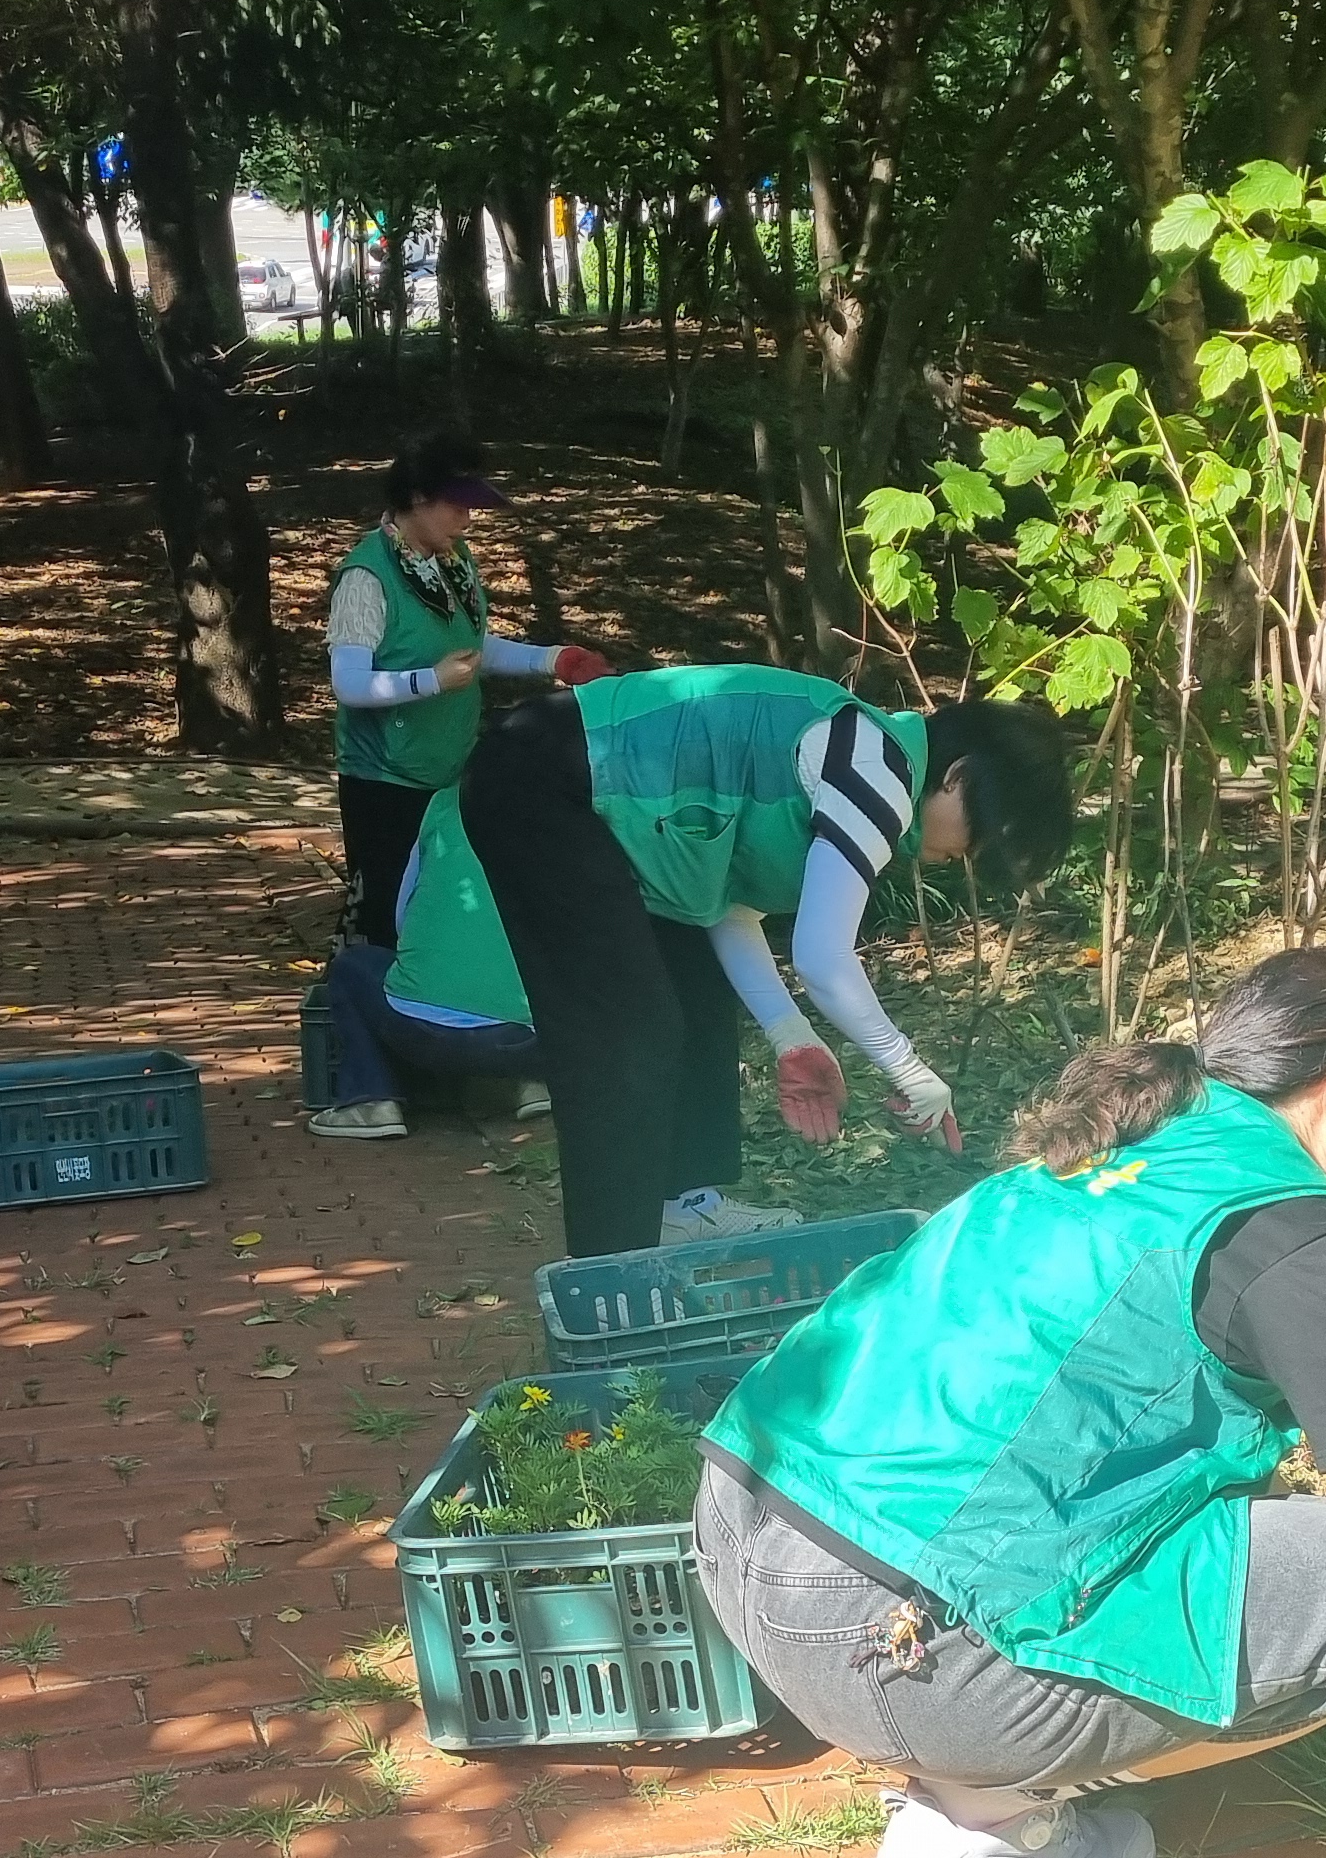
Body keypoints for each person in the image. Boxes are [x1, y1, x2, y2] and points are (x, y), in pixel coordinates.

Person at [692, 946, 1326, 1858]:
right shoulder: (1280, 1219)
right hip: (888, 1643)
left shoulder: (1122, 1146)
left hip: (741, 1554)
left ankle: (980, 1757)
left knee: (1260, 1524)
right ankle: (990, 1816)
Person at [394, 665, 1074, 1258]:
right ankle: (610, 1274)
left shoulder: (869, 754)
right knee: (626, 1037)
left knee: (692, 997)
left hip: (571, 786)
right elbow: (823, 958)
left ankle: (680, 1210)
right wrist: (907, 1068)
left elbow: (722, 907)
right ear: (957, 777)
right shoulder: (877, 767)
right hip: (541, 776)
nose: (967, 857)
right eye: (978, 836)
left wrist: (789, 1034)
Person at [327, 433, 602, 945]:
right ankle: (358, 1014)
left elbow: (473, 646)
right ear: (415, 498)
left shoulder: (453, 560)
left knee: (440, 911)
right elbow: (348, 683)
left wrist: (552, 660)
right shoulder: (366, 576)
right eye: (457, 505)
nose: (468, 520)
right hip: (384, 782)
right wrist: (431, 680)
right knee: (384, 919)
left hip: (449, 769)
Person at [305, 834, 550, 1143]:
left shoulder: (443, 809)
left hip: (421, 1032)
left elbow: (404, 920)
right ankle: (529, 1084)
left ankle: (371, 1100)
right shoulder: (559, 810)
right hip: (528, 1042)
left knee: (351, 966)